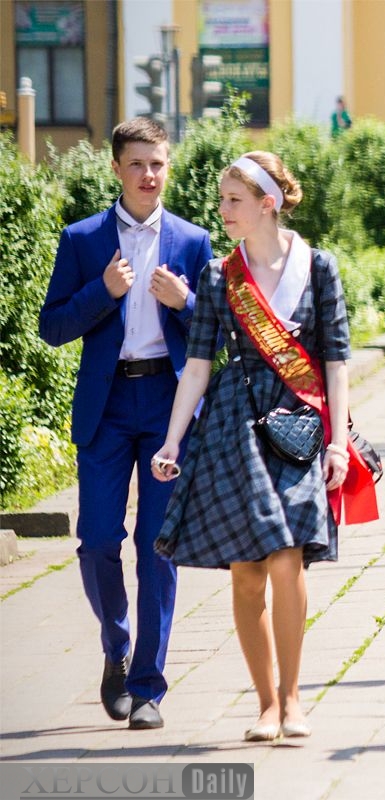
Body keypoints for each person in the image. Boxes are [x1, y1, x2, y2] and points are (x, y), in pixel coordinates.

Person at [152, 151, 366, 742]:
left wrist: (339, 444)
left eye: (233, 201)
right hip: (233, 426)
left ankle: (295, 699)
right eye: (223, 200)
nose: (223, 211)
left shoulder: (319, 268)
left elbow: (336, 362)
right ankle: (265, 704)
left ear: (267, 203)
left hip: (299, 426)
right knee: (247, 570)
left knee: (287, 555)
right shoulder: (219, 276)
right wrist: (173, 440)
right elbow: (198, 365)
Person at [38, 118, 214, 730]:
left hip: (168, 408)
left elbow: (215, 333)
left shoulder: (193, 242)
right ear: (117, 168)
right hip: (106, 408)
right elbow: (53, 327)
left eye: (158, 164)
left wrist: (185, 302)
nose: (149, 175)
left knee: (157, 547)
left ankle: (148, 687)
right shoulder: (83, 239)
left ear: (169, 167)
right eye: (137, 164)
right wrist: (102, 292)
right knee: (97, 541)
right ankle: (116, 647)